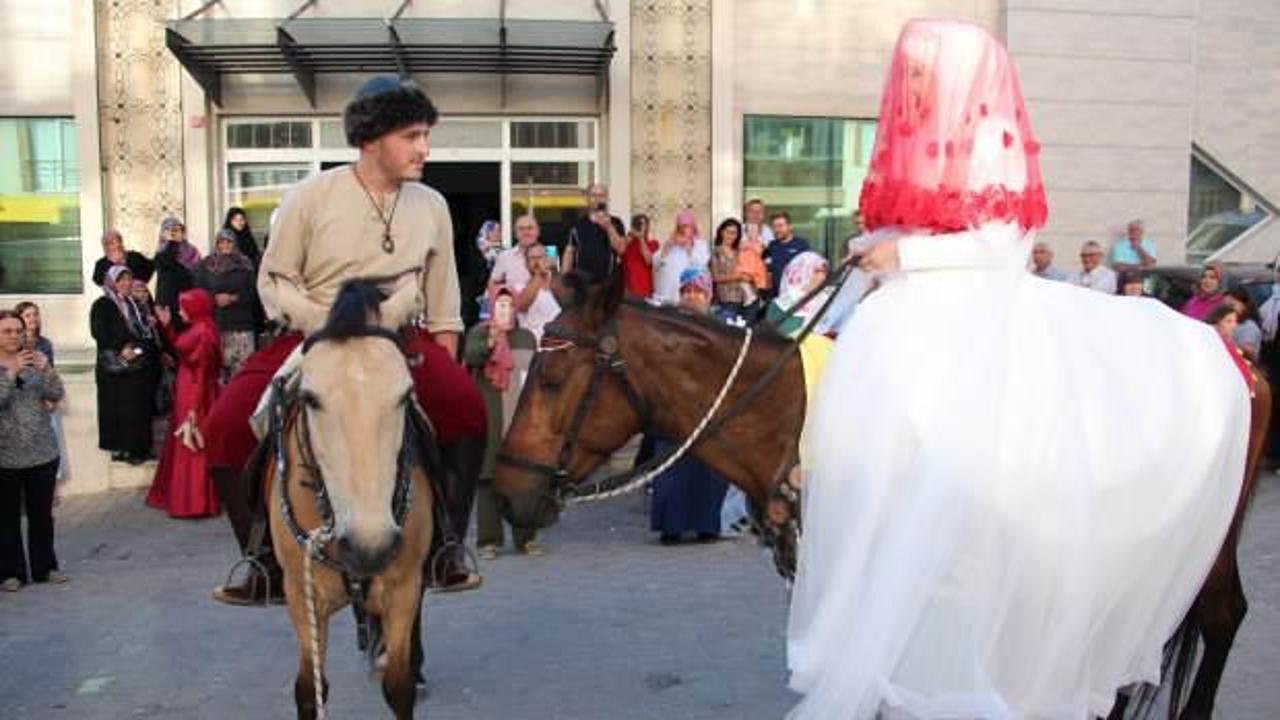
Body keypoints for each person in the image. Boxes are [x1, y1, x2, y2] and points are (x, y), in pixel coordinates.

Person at [788, 20, 1251, 720]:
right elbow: (921, 232)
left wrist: (903, 258)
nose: (908, 86)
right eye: (906, 73)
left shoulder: (990, 139)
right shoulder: (922, 146)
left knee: (968, 470)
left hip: (973, 315)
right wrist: (877, 246)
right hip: (912, 318)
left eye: (919, 73)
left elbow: (1004, 242)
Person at [204, 76, 486, 608]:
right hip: (310, 337)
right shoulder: (309, 197)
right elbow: (275, 280)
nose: (424, 148)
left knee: (469, 412)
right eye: (412, 135)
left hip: (399, 336)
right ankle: (259, 559)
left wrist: (443, 360)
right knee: (223, 427)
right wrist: (320, 319)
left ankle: (447, 545)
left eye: (425, 134)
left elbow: (444, 298)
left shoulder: (432, 205)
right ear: (371, 139)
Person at [649, 267, 730, 545]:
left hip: (710, 407)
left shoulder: (723, 327)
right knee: (671, 468)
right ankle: (671, 526)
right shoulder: (667, 325)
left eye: (698, 291)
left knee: (710, 470)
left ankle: (707, 525)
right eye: (687, 291)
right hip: (673, 407)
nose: (692, 297)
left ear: (709, 295)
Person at [464, 287, 542, 559]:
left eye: (509, 305)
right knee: (488, 480)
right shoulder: (479, 333)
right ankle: (490, 541)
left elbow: (535, 374)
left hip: (520, 420)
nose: (505, 310)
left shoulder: (526, 338)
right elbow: (472, 356)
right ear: (492, 307)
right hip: (491, 418)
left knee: (524, 481)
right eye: (500, 304)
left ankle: (526, 538)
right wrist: (491, 341)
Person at [0, 309, 67, 591]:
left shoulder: (34, 360)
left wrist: (46, 369)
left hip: (41, 451)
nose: (15, 336)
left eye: (18, 330)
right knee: (7, 518)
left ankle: (45, 567)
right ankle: (11, 572)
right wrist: (10, 372)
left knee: (42, 515)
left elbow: (55, 393)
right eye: (7, 331)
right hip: (6, 454)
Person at [144, 290, 222, 519]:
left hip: (194, 393)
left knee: (192, 446)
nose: (180, 311)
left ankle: (192, 501)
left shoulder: (202, 331)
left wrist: (193, 409)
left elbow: (198, 368)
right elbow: (184, 350)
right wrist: (167, 327)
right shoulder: (205, 327)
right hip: (196, 391)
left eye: (183, 306)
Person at [90, 266, 162, 465]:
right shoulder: (102, 304)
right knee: (117, 408)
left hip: (137, 364)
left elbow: (143, 329)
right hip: (116, 366)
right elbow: (99, 332)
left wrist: (149, 327)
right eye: (121, 280)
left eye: (129, 279)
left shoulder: (136, 304)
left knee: (137, 408)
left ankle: (139, 449)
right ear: (112, 282)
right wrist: (121, 347)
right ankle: (120, 448)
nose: (126, 284)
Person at [196, 229, 257, 382]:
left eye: (229, 241)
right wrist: (213, 299)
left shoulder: (245, 264)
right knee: (218, 374)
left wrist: (233, 298)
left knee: (242, 374)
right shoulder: (206, 265)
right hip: (217, 324)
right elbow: (198, 293)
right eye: (222, 242)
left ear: (234, 243)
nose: (225, 245)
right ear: (217, 243)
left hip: (241, 325)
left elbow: (253, 292)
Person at [562, 183, 627, 283]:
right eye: (593, 195)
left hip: (607, 283)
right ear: (587, 199)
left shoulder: (616, 222)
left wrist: (609, 227)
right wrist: (564, 279)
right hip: (582, 284)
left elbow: (621, 249)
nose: (597, 199)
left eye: (601, 195)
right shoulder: (577, 225)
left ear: (606, 199)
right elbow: (569, 253)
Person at [765, 251, 832, 338]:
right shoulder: (789, 296)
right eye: (817, 271)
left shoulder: (825, 295)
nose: (823, 276)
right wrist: (806, 290)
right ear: (803, 271)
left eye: (825, 271)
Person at [652, 210, 711, 305]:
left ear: (693, 228)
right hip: (667, 297)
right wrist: (667, 247)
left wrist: (688, 247)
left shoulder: (701, 245)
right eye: (680, 227)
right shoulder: (669, 244)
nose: (683, 230)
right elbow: (656, 264)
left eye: (686, 226)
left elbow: (700, 268)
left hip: (690, 298)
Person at [513, 242, 562, 343]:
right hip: (534, 348)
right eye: (533, 258)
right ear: (526, 263)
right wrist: (539, 273)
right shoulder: (519, 286)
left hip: (558, 348)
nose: (538, 261)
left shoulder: (557, 285)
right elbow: (522, 305)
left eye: (542, 257)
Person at [709, 218, 755, 319]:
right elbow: (715, 277)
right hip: (727, 299)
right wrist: (737, 276)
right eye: (728, 232)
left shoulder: (738, 251)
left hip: (745, 299)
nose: (731, 236)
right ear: (722, 232)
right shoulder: (716, 252)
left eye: (734, 233)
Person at [153, 217, 199, 313]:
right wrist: (171, 243)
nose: (176, 233)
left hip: (187, 300)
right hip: (167, 304)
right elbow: (167, 268)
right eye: (172, 230)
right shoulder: (161, 253)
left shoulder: (192, 251)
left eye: (180, 230)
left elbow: (196, 275)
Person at [488, 214, 538, 293]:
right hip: (515, 304)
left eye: (530, 228)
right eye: (521, 229)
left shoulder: (549, 254)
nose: (526, 232)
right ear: (515, 233)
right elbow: (493, 284)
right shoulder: (505, 256)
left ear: (537, 231)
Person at [764, 212, 811, 295]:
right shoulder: (771, 245)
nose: (777, 229)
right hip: (775, 296)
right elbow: (767, 269)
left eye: (780, 226)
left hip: (795, 296)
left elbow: (809, 268)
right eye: (774, 227)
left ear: (789, 226)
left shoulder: (801, 244)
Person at [620, 213, 659, 299]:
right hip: (628, 292)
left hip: (645, 292)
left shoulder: (653, 244)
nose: (639, 227)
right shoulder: (627, 243)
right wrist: (629, 237)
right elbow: (618, 253)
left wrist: (641, 238)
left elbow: (648, 260)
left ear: (647, 227)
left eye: (641, 224)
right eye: (636, 224)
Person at [1224, 287, 1263, 362]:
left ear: (1245, 305)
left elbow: (1247, 351)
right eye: (1224, 306)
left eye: (1232, 305)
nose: (1227, 309)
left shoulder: (1248, 327)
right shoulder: (1232, 323)